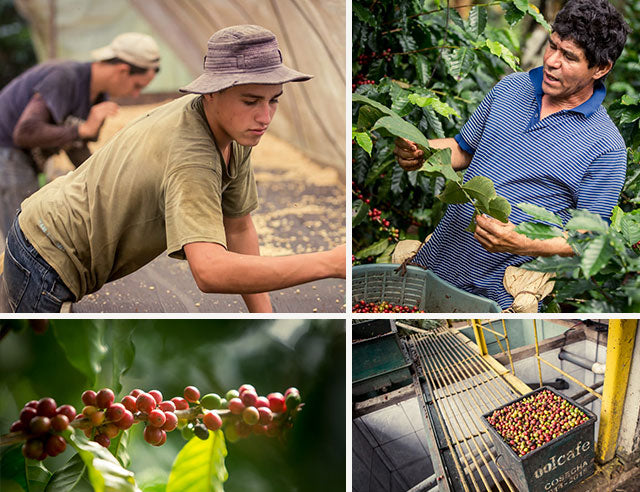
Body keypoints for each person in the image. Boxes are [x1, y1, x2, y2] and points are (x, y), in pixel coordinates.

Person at [0, 25, 345, 313]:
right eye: (251, 101)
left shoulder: (233, 132)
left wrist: (266, 320)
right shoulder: (193, 155)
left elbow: (238, 226)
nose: (265, 118)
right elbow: (209, 271)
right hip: (46, 259)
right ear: (211, 93)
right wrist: (329, 263)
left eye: (274, 101)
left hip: (44, 230)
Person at [393, 0, 630, 309]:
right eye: (552, 46)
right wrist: (421, 149)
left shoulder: (606, 147)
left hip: (498, 292)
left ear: (601, 68)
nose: (552, 61)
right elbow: (463, 149)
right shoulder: (511, 87)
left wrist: (523, 242)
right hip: (440, 259)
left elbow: (587, 240)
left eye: (569, 56)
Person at [0, 32, 160, 249]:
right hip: (7, 148)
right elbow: (25, 132)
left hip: (23, 154)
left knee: (32, 234)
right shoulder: (65, 76)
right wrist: (81, 130)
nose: (135, 95)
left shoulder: (96, 96)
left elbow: (75, 147)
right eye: (137, 86)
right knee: (25, 238)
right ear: (123, 70)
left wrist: (104, 184)